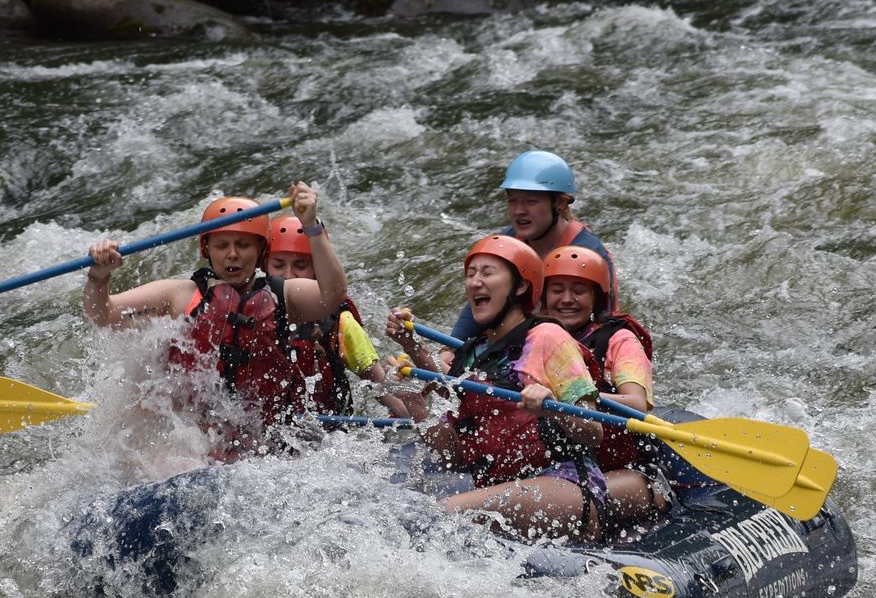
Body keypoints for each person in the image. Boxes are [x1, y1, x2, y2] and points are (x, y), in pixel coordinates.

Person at [383, 234, 659, 544]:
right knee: (410, 518)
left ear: (520, 286)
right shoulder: (475, 351)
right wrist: (418, 402)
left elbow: (592, 430)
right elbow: (453, 455)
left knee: (439, 515)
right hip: (510, 491)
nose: (475, 282)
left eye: (487, 273)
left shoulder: (547, 337)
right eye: (471, 274)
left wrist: (553, 406)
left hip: (564, 487)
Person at [83, 183, 346, 457]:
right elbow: (103, 315)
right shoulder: (179, 295)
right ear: (206, 248)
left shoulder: (283, 295)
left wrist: (312, 227)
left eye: (243, 245)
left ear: (261, 251)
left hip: (260, 441)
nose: (232, 253)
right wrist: (99, 277)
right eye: (221, 245)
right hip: (186, 439)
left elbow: (333, 294)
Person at [449, 149, 615, 344]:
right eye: (513, 201)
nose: (519, 211)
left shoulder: (588, 254)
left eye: (531, 201)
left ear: (559, 204)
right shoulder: (507, 242)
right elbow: (484, 296)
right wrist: (451, 348)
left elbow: (599, 325)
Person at [539, 246, 664, 495]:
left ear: (596, 297)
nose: (566, 299)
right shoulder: (535, 340)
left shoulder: (619, 340)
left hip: (629, 470)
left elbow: (636, 404)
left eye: (578, 291)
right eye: (556, 290)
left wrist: (571, 396)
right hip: (564, 468)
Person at [262, 215, 390, 416]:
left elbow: (381, 388)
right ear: (264, 267)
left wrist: (411, 415)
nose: (287, 275)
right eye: (278, 265)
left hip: (328, 436)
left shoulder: (339, 323)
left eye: (300, 265)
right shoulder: (250, 317)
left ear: (317, 269)